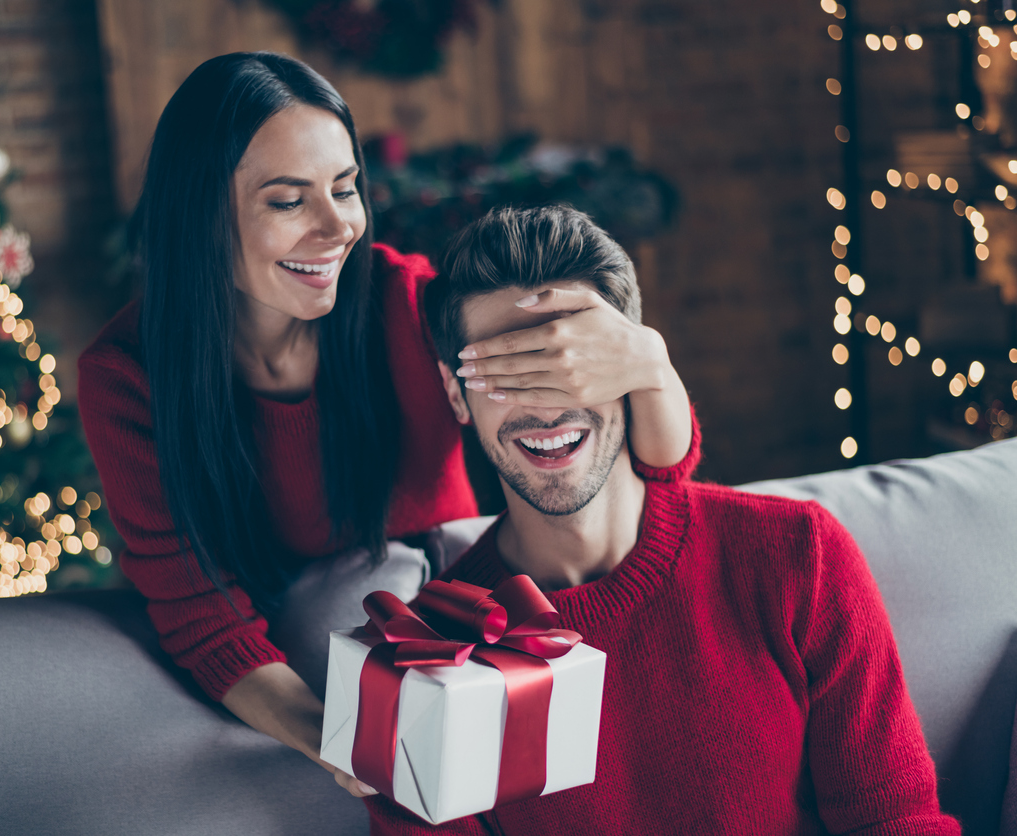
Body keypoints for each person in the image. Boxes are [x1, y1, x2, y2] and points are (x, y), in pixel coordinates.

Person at [76, 52, 698, 798]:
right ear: (202, 213)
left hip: (467, 617)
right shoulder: (127, 377)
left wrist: (646, 364)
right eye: (287, 201)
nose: (338, 226)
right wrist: (342, 740)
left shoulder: (406, 303)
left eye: (345, 189)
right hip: (309, 651)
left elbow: (660, 470)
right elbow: (199, 613)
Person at [361, 203, 960, 834]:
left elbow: (894, 821)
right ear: (455, 393)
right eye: (503, 373)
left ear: (632, 367)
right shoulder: (434, 652)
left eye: (569, 363)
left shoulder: (794, 557)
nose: (546, 405)